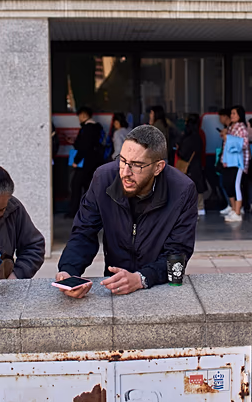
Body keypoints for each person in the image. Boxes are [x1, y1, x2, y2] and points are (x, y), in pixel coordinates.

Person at [56, 125, 197, 298]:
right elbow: (83, 232)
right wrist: (69, 270)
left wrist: (141, 278)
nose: (125, 172)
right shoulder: (103, 178)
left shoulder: (182, 190)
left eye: (137, 165)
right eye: (122, 160)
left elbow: (178, 252)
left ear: (158, 167)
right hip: (115, 284)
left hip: (158, 287)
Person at [67, 107, 105, 218]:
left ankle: (74, 211)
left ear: (84, 115)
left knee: (76, 185)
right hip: (94, 162)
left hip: (85, 162)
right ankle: (91, 211)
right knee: (88, 186)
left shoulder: (88, 128)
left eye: (79, 116)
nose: (79, 118)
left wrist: (76, 160)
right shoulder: (97, 127)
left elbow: (84, 147)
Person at [220, 106, 249, 223]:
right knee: (228, 184)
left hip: (237, 161)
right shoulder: (231, 127)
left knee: (236, 186)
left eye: (234, 114)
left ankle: (238, 211)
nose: (231, 116)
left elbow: (244, 143)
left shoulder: (241, 127)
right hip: (229, 161)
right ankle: (233, 208)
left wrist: (229, 138)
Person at [176, 114, 206, 216]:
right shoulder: (199, 135)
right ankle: (200, 206)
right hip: (197, 164)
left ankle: (191, 208)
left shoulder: (187, 138)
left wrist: (178, 148)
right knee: (198, 186)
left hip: (188, 166)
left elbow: (182, 153)